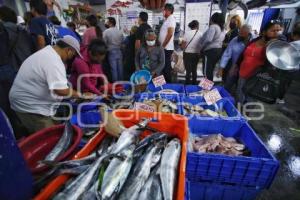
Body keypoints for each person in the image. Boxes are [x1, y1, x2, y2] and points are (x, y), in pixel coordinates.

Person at [9, 36, 86, 134]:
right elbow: (60, 90)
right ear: (69, 50)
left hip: (34, 104)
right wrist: (81, 95)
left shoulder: (48, 53)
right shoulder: (53, 61)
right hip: (31, 107)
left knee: (58, 129)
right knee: (51, 139)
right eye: (74, 55)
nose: (72, 58)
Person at [236, 20, 281, 104]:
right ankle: (237, 113)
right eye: (273, 30)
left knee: (251, 99)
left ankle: (245, 115)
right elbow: (243, 54)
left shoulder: (276, 46)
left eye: (278, 30)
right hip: (243, 73)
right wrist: (236, 66)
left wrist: (271, 47)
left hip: (256, 78)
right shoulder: (254, 40)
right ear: (264, 32)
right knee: (239, 95)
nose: (276, 33)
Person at [216, 24, 252, 94]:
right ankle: (226, 97)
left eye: (243, 33)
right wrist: (221, 68)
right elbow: (227, 54)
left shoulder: (254, 41)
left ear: (248, 34)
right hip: (234, 67)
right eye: (240, 32)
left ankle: (239, 102)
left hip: (247, 70)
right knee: (228, 84)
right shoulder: (235, 39)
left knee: (241, 89)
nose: (240, 35)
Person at [199, 12, 226, 81]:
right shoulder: (222, 29)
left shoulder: (213, 27)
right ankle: (209, 88)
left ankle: (206, 89)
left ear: (213, 19)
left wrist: (202, 47)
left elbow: (208, 39)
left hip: (210, 51)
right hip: (218, 50)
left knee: (206, 72)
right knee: (210, 70)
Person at [159, 3, 176, 83]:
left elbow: (170, 34)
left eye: (164, 10)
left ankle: (168, 84)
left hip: (166, 48)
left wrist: (163, 46)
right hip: (165, 47)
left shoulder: (171, 19)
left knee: (166, 67)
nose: (163, 12)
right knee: (164, 67)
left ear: (168, 11)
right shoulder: (167, 19)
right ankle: (165, 83)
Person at [181, 20, 202, 85]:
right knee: (194, 69)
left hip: (187, 54)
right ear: (197, 26)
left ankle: (187, 85)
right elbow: (201, 45)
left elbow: (183, 46)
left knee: (188, 71)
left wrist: (182, 47)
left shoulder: (187, 33)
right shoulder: (200, 33)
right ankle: (194, 84)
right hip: (196, 54)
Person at [103, 17, 124, 82]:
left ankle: (116, 85)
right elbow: (122, 42)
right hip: (119, 51)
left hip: (111, 52)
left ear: (110, 23)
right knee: (120, 69)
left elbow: (104, 42)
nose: (106, 23)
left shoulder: (106, 31)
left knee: (113, 69)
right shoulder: (120, 31)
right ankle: (122, 84)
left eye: (107, 22)